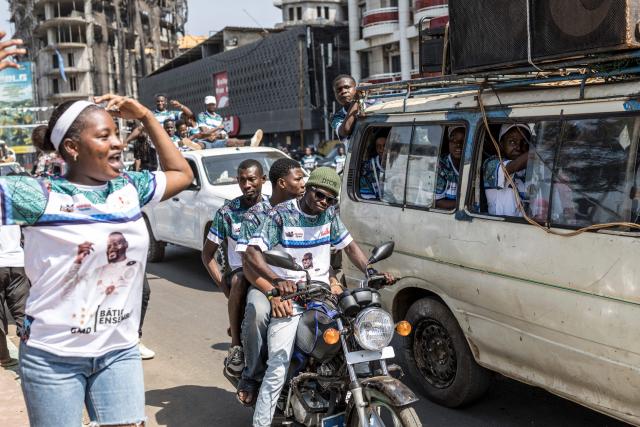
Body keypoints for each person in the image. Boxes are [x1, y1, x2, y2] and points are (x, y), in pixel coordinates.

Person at [3, 87, 192, 425]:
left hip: (118, 352)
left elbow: (182, 174)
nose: (117, 143)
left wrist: (147, 118)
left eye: (117, 134)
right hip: (52, 357)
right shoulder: (37, 195)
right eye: (105, 136)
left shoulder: (129, 188)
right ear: (72, 148)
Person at [244, 167, 395, 427]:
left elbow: (348, 245)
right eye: (319, 195)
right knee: (278, 362)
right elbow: (253, 251)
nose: (323, 202)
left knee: (355, 341)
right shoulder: (282, 215)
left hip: (323, 296)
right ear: (308, 188)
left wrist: (370, 270)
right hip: (291, 300)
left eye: (330, 199)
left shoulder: (329, 215)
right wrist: (278, 280)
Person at [234, 158, 306, 406]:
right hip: (265, 284)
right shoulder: (255, 215)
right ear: (282, 183)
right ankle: (251, 375)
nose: (304, 184)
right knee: (257, 313)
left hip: (302, 283)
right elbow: (248, 264)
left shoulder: (304, 209)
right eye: (299, 179)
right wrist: (273, 293)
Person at [201, 160, 268, 377]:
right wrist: (225, 288)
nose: (247, 184)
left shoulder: (275, 209)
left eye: (252, 179)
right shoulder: (227, 212)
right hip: (241, 275)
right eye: (242, 180)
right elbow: (207, 255)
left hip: (271, 273)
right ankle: (236, 346)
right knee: (239, 279)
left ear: (263, 180)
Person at [483, 123, 531, 216]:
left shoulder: (531, 167)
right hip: (500, 227)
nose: (518, 147)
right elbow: (513, 166)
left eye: (524, 142)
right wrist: (540, 150)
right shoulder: (491, 164)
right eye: (512, 142)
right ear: (501, 144)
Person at [0, 225, 29, 368]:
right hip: (17, 262)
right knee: (22, 313)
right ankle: (32, 357)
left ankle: (3, 356)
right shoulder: (12, 204)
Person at [196, 96, 264, 148]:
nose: (211, 106)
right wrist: (218, 128)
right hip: (205, 141)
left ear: (215, 104)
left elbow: (224, 134)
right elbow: (205, 132)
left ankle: (251, 142)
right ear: (206, 105)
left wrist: (217, 135)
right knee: (199, 146)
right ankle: (191, 145)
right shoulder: (202, 115)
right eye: (209, 104)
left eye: (213, 104)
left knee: (233, 141)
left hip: (217, 141)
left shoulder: (219, 117)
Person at [331, 74, 376, 146]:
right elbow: (346, 131)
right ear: (335, 95)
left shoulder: (374, 104)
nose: (343, 91)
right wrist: (357, 98)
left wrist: (372, 89)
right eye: (339, 90)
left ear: (356, 88)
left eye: (347, 87)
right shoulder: (337, 117)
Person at [435, 126, 465, 209]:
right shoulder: (441, 166)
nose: (458, 144)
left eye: (463, 141)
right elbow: (437, 201)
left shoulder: (475, 164)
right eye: (454, 140)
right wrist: (466, 204)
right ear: (449, 143)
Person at [359, 131, 387, 200]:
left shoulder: (400, 164)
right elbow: (367, 198)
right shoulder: (367, 167)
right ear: (375, 148)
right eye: (378, 146)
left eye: (385, 145)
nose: (382, 149)